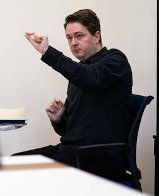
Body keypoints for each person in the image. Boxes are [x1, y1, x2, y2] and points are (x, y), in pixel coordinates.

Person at [13, 9, 133, 182]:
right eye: (69, 38)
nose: (73, 43)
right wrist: (58, 119)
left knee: (35, 174)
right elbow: (66, 131)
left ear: (96, 36)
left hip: (102, 156)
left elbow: (90, 78)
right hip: (71, 151)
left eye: (79, 36)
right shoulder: (79, 73)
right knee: (13, 163)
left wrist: (48, 52)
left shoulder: (115, 60)